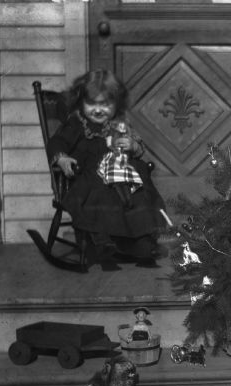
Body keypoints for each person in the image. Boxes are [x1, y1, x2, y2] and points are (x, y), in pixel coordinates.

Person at [46, 69, 166, 270]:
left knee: (139, 191)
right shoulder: (77, 123)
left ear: (116, 104)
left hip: (121, 175)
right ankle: (102, 243)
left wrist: (133, 146)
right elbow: (57, 142)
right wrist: (62, 158)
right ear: (81, 102)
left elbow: (137, 145)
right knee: (100, 194)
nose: (99, 110)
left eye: (105, 104)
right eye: (92, 103)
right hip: (90, 176)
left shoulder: (118, 123)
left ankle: (142, 242)